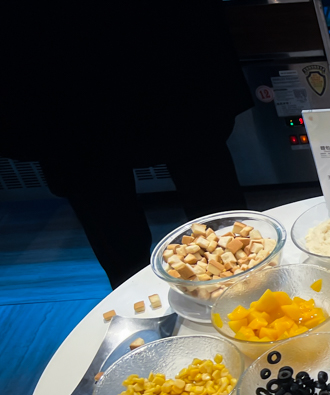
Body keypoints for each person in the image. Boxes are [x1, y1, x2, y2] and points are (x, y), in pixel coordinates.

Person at [1, 1, 252, 288]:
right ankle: (136, 300)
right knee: (95, 177)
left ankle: (241, 283)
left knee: (197, 163)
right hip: (63, 48)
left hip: (80, 43)